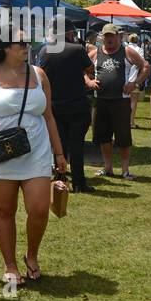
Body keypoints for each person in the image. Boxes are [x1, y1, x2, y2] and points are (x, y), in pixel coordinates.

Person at [0, 31, 67, 287]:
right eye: (21, 43)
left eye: (28, 42)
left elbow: (49, 116)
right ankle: (10, 264)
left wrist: (59, 153)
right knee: (5, 210)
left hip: (37, 151)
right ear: (5, 47)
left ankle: (31, 254)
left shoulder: (39, 74)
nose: (27, 46)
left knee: (39, 209)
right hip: (0, 154)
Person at [37, 27, 96, 192]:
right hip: (77, 104)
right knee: (77, 145)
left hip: (54, 105)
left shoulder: (44, 51)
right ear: (69, 34)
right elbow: (90, 69)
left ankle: (61, 179)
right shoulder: (77, 49)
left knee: (59, 145)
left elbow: (40, 73)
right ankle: (79, 182)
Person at [87, 23, 148, 179]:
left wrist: (135, 83)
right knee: (103, 137)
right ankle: (108, 168)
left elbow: (145, 66)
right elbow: (82, 70)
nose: (109, 39)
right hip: (100, 101)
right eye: (106, 36)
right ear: (102, 37)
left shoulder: (127, 51)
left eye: (111, 36)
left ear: (118, 37)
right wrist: (89, 82)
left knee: (123, 138)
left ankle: (125, 170)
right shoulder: (95, 53)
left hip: (121, 101)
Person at [127, 33, 143, 129]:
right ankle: (131, 122)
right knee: (133, 101)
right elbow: (142, 64)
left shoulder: (124, 48)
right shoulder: (139, 50)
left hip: (124, 78)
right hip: (134, 77)